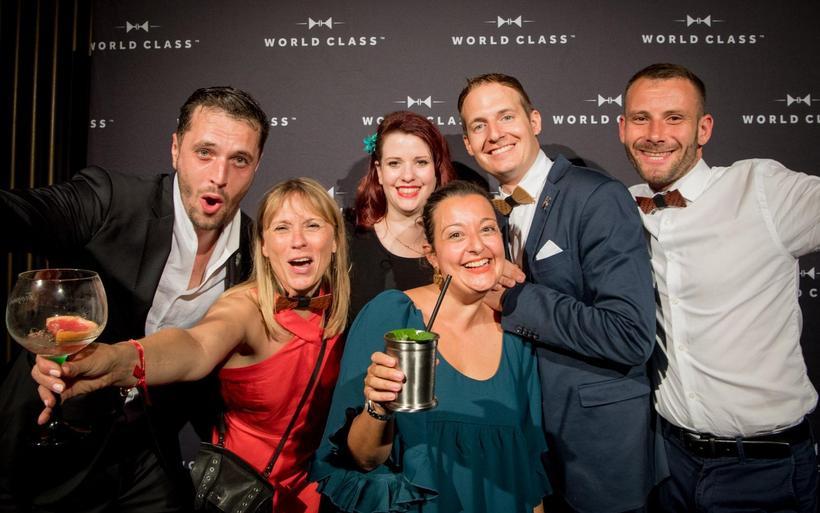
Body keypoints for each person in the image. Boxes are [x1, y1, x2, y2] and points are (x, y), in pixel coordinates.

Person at [0, 86, 268, 512]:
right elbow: (23, 214)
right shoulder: (112, 201)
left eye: (239, 160)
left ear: (256, 166)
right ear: (175, 149)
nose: (219, 175)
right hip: (49, 430)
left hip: (149, 449)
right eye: (204, 153)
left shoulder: (257, 252)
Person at [34, 177, 350, 512]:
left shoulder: (343, 311)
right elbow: (195, 345)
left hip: (314, 491)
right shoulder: (245, 307)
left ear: (334, 240)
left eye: (312, 225)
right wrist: (115, 360)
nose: (298, 241)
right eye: (282, 228)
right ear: (263, 246)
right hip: (242, 495)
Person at [458, 73, 665, 513]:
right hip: (529, 450)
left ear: (534, 121)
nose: (494, 134)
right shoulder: (487, 217)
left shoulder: (596, 196)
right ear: (470, 145)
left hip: (600, 450)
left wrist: (513, 300)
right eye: (479, 125)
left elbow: (629, 335)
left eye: (506, 117)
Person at [620, 62, 820, 513]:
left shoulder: (762, 189)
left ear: (703, 128)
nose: (655, 134)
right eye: (641, 118)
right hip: (667, 462)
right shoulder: (621, 205)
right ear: (622, 129)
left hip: (765, 471)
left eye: (674, 118)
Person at [311, 180, 550, 512]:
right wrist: (380, 407)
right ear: (432, 255)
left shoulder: (515, 335)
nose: (477, 246)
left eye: (487, 229)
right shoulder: (393, 316)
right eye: (456, 235)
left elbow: (528, 474)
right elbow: (363, 460)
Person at [348, 111, 457, 319]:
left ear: (437, 169)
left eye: (421, 162)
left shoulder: (460, 244)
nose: (408, 176)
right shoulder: (347, 237)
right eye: (394, 163)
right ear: (379, 172)